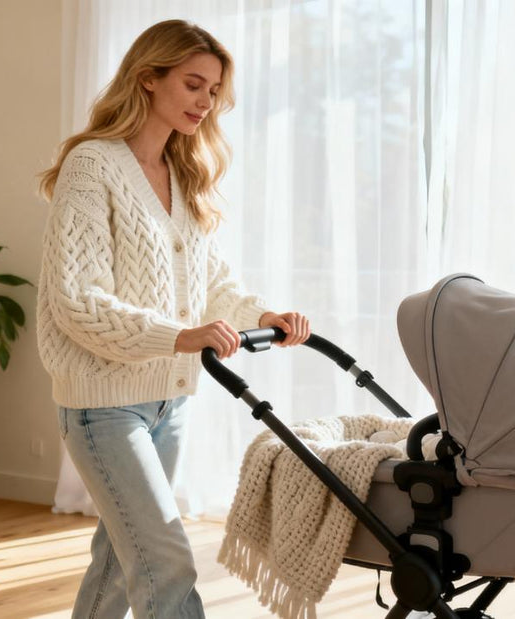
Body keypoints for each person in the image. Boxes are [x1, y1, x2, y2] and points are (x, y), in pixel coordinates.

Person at [36, 19, 310, 618]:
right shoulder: (93, 165)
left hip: (170, 404)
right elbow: (76, 298)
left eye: (213, 91)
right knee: (166, 561)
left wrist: (263, 314)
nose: (205, 102)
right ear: (147, 79)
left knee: (118, 559)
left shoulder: (183, 173)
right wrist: (180, 336)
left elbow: (212, 283)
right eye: (192, 84)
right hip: (104, 407)